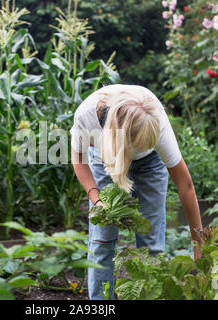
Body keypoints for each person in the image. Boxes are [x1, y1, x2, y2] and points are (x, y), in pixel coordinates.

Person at [70, 84, 204, 300]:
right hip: (105, 158)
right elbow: (78, 159)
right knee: (101, 241)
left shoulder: (156, 121)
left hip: (151, 164)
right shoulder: (86, 116)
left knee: (151, 243)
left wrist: (199, 245)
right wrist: (96, 200)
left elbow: (186, 186)